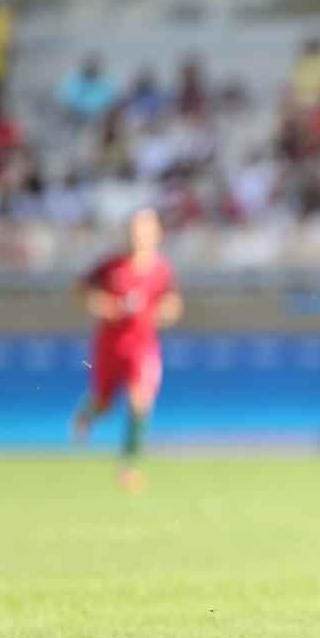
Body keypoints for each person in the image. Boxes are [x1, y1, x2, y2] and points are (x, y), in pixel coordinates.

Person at [74, 208, 182, 493]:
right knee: (104, 404)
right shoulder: (111, 266)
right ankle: (87, 413)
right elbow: (83, 288)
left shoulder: (161, 269)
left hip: (143, 347)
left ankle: (128, 465)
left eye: (145, 230)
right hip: (110, 346)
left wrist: (164, 312)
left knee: (139, 401)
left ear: (156, 234)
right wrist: (102, 305)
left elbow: (172, 302)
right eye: (135, 230)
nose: (139, 236)